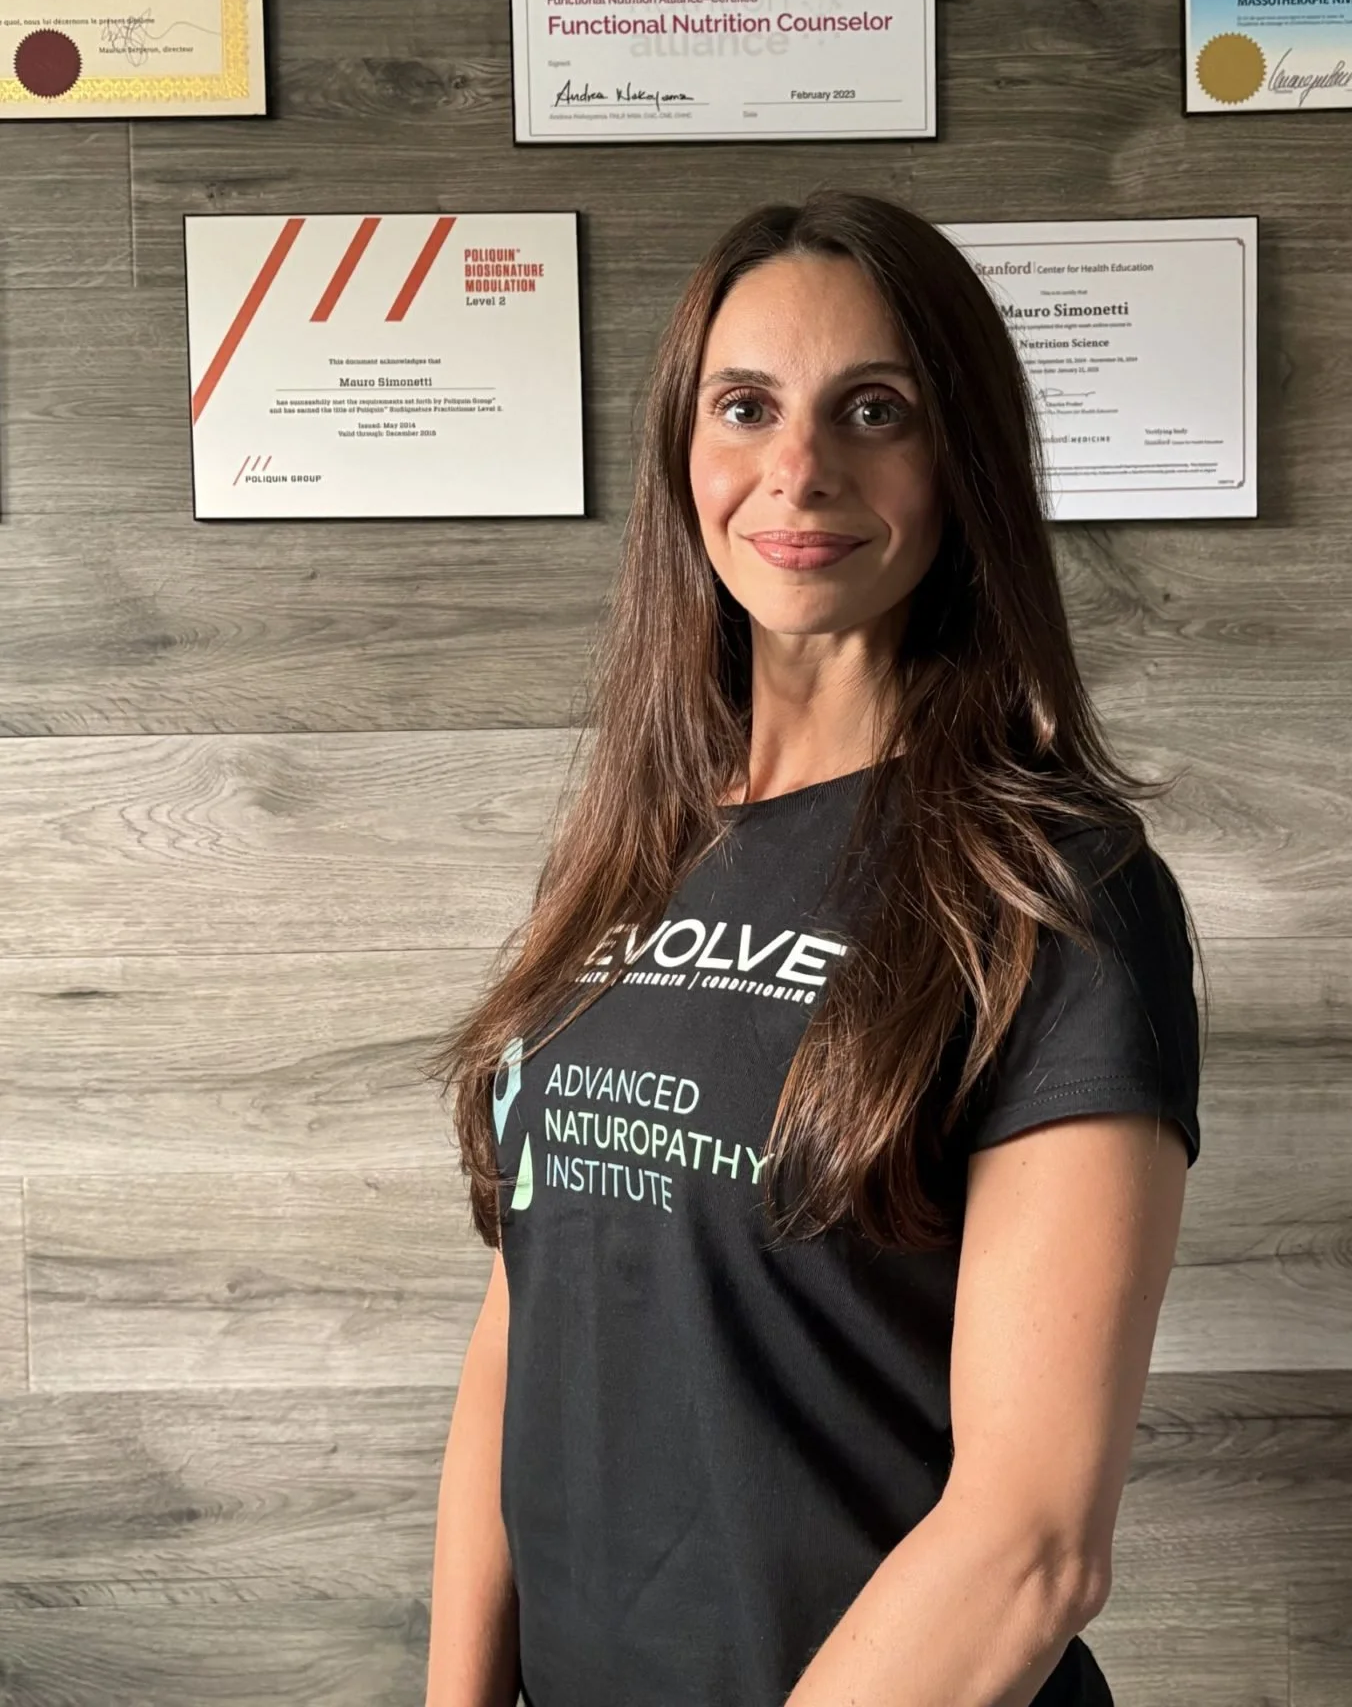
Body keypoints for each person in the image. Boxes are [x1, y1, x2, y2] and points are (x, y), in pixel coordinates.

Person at [423, 190, 1204, 1707]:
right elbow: (530, 1313)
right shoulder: (623, 856)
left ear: (958, 456)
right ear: (685, 450)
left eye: (873, 409)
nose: (799, 468)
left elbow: (1032, 1545)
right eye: (747, 407)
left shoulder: (1054, 888)